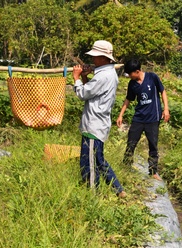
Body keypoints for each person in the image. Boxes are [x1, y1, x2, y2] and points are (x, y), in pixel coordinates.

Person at [72, 40, 126, 198]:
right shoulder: (107, 74)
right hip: (99, 122)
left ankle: (92, 195)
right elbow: (91, 93)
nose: (94, 60)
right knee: (99, 160)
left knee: (88, 163)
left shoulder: (103, 76)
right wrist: (84, 78)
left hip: (94, 124)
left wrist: (75, 78)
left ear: (103, 58)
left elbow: (83, 94)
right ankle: (118, 189)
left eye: (96, 57)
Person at [116, 59, 170, 181]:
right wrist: (120, 115)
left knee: (153, 145)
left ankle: (153, 171)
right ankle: (126, 166)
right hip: (139, 118)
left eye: (130, 74)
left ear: (137, 71)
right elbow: (128, 99)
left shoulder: (152, 77)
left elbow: (163, 91)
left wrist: (166, 109)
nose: (129, 76)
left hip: (153, 118)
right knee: (131, 142)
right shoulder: (132, 84)